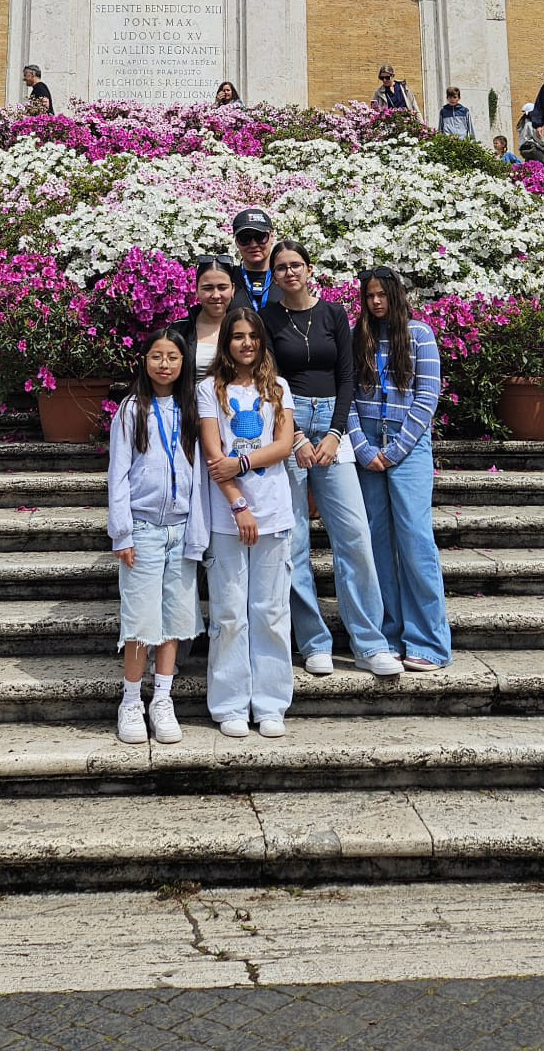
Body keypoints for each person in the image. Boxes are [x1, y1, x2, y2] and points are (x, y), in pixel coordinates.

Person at [263, 240, 402, 679]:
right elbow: (268, 378)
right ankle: (314, 641)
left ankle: (369, 642)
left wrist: (337, 432)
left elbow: (346, 376)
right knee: (295, 542)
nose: (289, 273)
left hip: (333, 423)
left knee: (354, 536)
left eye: (296, 265)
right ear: (275, 274)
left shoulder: (333, 314)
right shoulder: (267, 319)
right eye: (281, 267)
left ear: (309, 269)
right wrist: (298, 437)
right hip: (288, 423)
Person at [196, 307, 296, 738]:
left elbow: (285, 444)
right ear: (227, 343)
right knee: (230, 613)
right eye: (237, 336)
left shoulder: (277, 388)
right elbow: (212, 456)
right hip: (228, 517)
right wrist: (238, 504)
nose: (246, 343)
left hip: (273, 513)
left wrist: (242, 462)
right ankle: (230, 703)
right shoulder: (208, 391)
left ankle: (271, 702)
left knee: (271, 611)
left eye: (252, 336)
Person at [107, 328, 207, 745]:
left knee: (175, 619)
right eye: (156, 356)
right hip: (144, 529)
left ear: (183, 363)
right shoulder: (132, 409)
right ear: (144, 361)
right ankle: (131, 701)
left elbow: (200, 473)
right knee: (140, 620)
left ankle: (162, 700)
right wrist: (122, 532)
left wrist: (198, 532)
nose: (164, 364)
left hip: (182, 529)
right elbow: (118, 473)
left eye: (173, 357)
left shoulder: (191, 409)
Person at [352, 267, 452, 670]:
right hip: (366, 447)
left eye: (382, 295)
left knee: (414, 541)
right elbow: (351, 395)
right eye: (370, 296)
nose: (376, 302)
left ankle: (429, 641)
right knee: (377, 544)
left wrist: (394, 451)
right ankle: (390, 634)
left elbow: (427, 397)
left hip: (406, 445)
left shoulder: (419, 334)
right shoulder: (360, 336)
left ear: (395, 295)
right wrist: (361, 447)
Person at [187, 257, 237, 382]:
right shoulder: (180, 330)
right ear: (196, 290)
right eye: (207, 288)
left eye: (222, 287)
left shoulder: (245, 328)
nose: (215, 295)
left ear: (233, 289)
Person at [231, 207, 276, 309]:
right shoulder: (227, 278)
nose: (253, 244)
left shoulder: (285, 276)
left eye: (260, 237)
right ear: (237, 242)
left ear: (272, 237)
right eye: (244, 239)